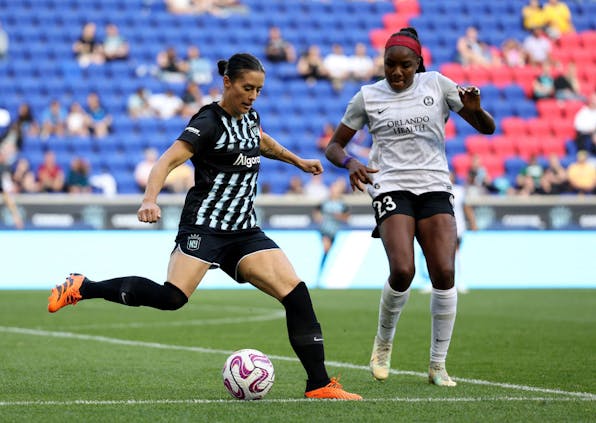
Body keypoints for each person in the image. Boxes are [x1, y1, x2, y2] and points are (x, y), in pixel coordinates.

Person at [47, 52, 361, 401]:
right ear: (227, 83)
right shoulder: (208, 122)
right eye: (246, 88)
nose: (253, 96)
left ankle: (318, 383)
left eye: (258, 90)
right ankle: (83, 286)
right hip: (204, 228)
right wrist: (149, 199)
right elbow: (166, 161)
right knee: (172, 298)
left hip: (244, 231)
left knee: (296, 294)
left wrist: (297, 161)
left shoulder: (249, 116)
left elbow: (260, 140)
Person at [324, 27, 495, 386]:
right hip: (389, 185)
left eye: (404, 66)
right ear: (383, 64)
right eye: (390, 65)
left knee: (444, 273)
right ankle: (383, 344)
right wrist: (351, 162)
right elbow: (334, 146)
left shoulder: (436, 84)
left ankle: (437, 365)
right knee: (403, 270)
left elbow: (487, 128)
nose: (397, 73)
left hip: (434, 185)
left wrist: (477, 112)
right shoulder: (367, 96)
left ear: (418, 63)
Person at [312, 177, 349, 274]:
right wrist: (318, 217)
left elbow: (346, 217)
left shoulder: (341, 204)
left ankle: (324, 270)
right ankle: (320, 271)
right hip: (325, 230)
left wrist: (339, 216)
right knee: (326, 248)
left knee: (329, 252)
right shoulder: (325, 202)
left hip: (334, 231)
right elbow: (317, 212)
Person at [0, 152, 24, 229]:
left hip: (7, 191)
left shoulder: (7, 167)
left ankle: (17, 219)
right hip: (4, 192)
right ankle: (17, 218)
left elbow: (13, 179)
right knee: (8, 197)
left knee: (9, 198)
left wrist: (20, 170)